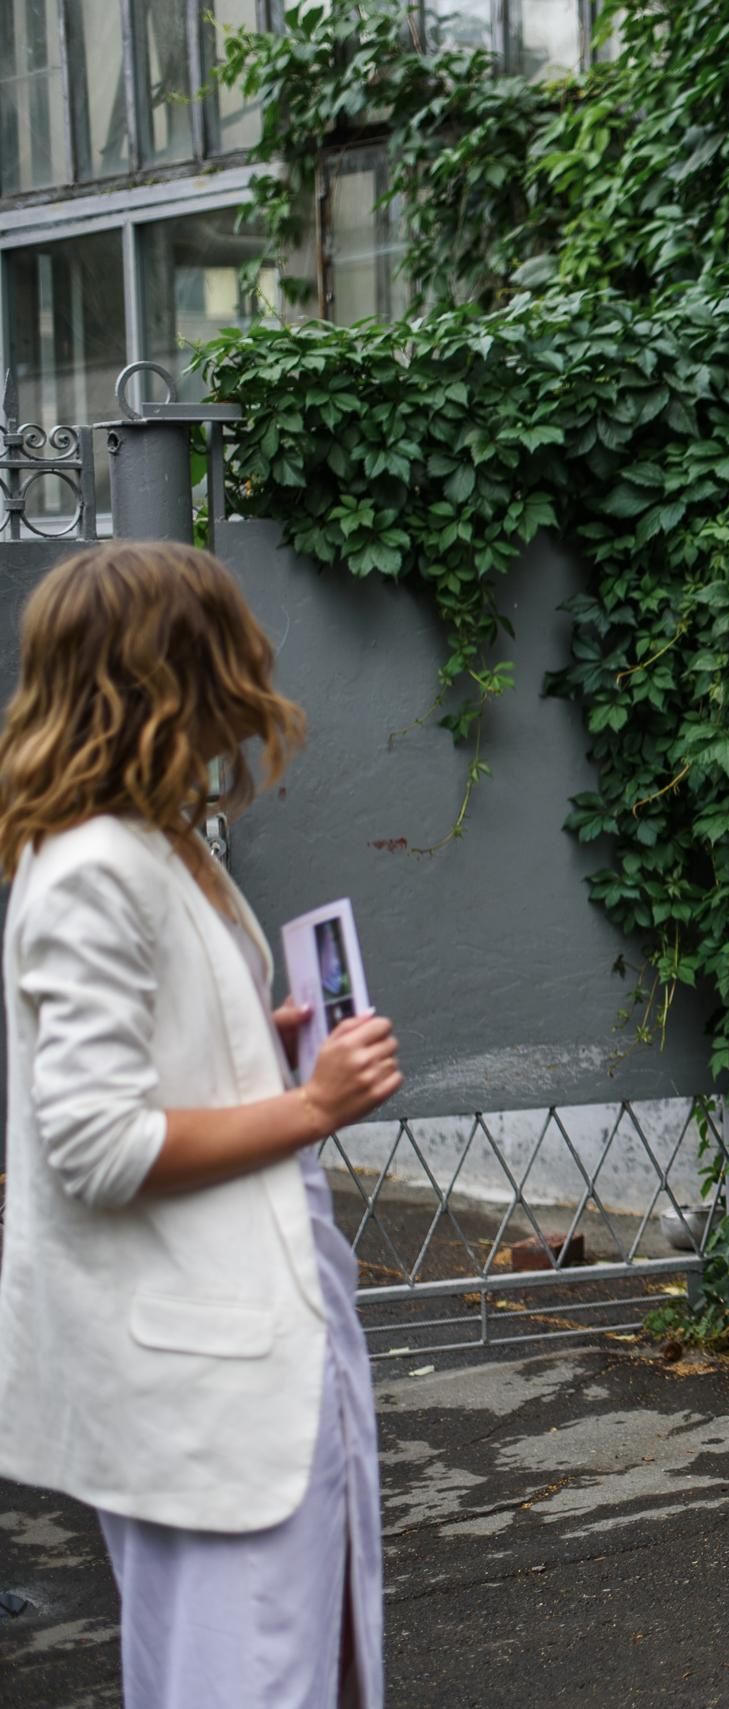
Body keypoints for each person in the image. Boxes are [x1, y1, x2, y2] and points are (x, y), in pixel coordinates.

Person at [0, 541, 407, 1707]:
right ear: (171, 672)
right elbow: (96, 1148)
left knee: (287, 1656)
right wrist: (311, 1101)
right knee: (239, 1675)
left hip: (249, 1339)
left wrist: (265, 1046)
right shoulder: (94, 867)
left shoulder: (155, 838)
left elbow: (159, 1061)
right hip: (203, 1369)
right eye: (229, 645)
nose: (256, 666)